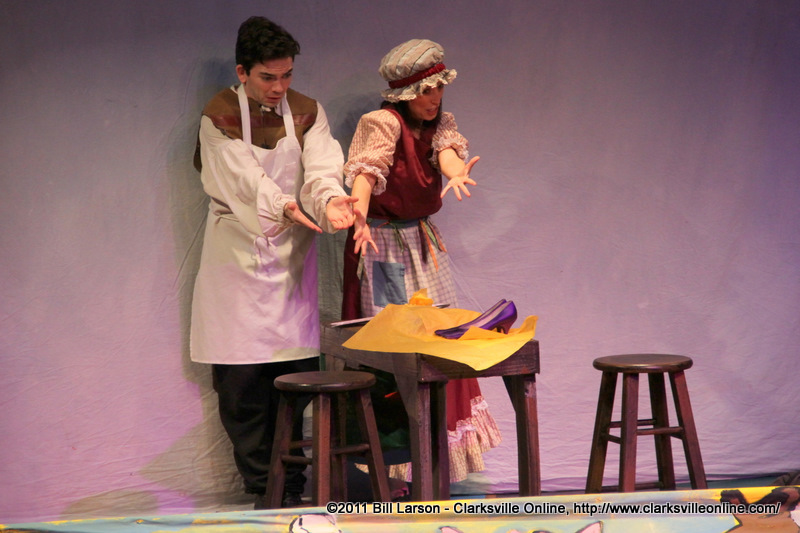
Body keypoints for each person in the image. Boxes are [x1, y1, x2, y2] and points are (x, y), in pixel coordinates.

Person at [190, 16, 355, 509]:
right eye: (267, 77)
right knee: (242, 387)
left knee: (294, 380)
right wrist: (283, 206)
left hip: (290, 265)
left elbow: (322, 166)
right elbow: (242, 178)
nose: (279, 87)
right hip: (235, 258)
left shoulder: (307, 111)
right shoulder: (218, 116)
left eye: (286, 76)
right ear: (242, 72)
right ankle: (264, 489)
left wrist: (331, 199)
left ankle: (293, 488)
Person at [341, 39, 501, 489]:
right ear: (404, 94)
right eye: (425, 91)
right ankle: (395, 468)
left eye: (439, 89)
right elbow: (366, 173)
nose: (434, 99)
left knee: (440, 342)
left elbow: (445, 152)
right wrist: (358, 213)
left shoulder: (441, 123)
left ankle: (434, 463)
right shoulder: (382, 123)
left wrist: (455, 172)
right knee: (396, 349)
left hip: (421, 241)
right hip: (383, 244)